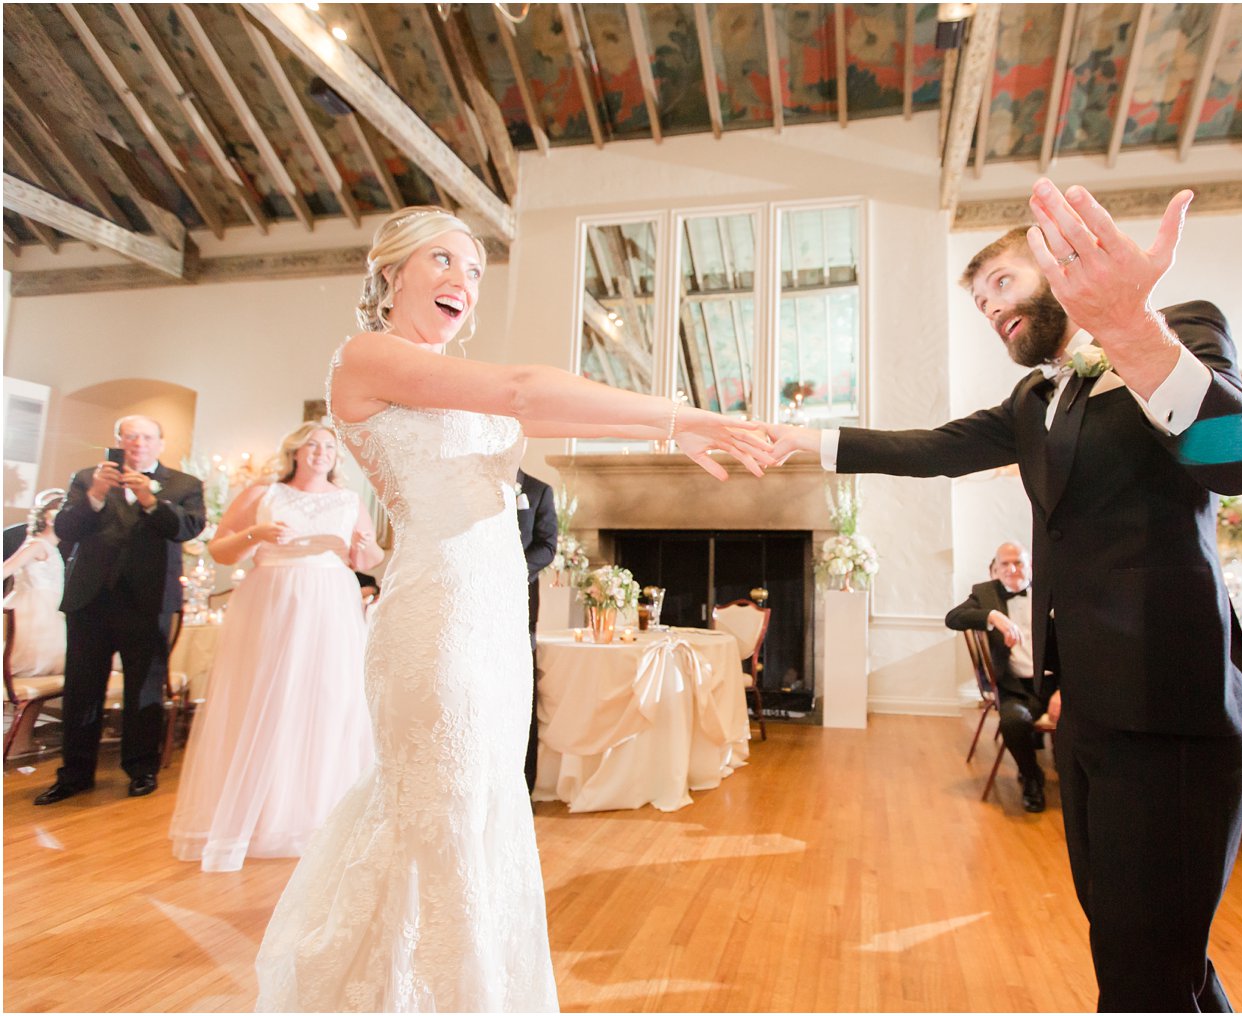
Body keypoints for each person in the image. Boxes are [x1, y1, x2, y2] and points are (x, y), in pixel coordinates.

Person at [768, 179, 1242, 1010]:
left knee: (1151, 961)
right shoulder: (1037, 397)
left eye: (1001, 283)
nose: (991, 309)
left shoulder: (1177, 329)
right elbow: (932, 447)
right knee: (1132, 947)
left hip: (1177, 709)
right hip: (1086, 709)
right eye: (979, 303)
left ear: (1059, 261)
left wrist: (1126, 327)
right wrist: (803, 440)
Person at [254, 206, 772, 1012]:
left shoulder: (455, 391)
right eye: (444, 261)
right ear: (391, 273)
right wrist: (688, 413)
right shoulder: (367, 356)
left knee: (480, 805)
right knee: (443, 805)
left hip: (493, 618)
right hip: (437, 618)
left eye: (474, 272)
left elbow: (545, 411)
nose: (464, 281)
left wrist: (670, 434)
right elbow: (524, 388)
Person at [168, 421, 380, 872]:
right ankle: (258, 817)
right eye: (313, 444)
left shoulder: (349, 500)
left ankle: (317, 816)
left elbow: (367, 558)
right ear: (295, 451)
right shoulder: (264, 493)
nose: (321, 452)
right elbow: (221, 551)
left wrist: (365, 548)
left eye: (329, 446)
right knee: (264, 699)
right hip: (273, 599)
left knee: (326, 700)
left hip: (331, 604)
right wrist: (257, 535)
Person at [35, 417, 206, 805]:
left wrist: (150, 499)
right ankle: (74, 774)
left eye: (146, 437)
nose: (137, 443)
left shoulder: (183, 485)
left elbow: (186, 529)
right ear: (118, 442)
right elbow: (66, 527)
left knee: (144, 688)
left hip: (147, 604)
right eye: (129, 437)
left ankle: (141, 770)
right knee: (82, 689)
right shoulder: (87, 478)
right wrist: (95, 493)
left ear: (160, 444)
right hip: (91, 600)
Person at [945, 540, 1049, 811]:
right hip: (1014, 686)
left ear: (1031, 566)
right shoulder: (986, 593)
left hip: (1053, 684)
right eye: (1005, 563)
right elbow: (953, 618)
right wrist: (992, 617)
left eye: (1019, 562)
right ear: (995, 569)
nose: (1012, 569)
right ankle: (1032, 777)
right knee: (1013, 722)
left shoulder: (1049, 591)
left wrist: (1064, 691)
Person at [2, 489, 68, 679]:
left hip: (50, 614)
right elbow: (6, 569)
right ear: (50, 519)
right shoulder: (37, 545)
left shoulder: (51, 548)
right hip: (33, 613)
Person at [517, 468, 556, 790]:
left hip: (520, 604)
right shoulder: (474, 480)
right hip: (472, 599)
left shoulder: (538, 490)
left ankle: (524, 784)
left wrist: (511, 569)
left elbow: (547, 545)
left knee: (521, 695)